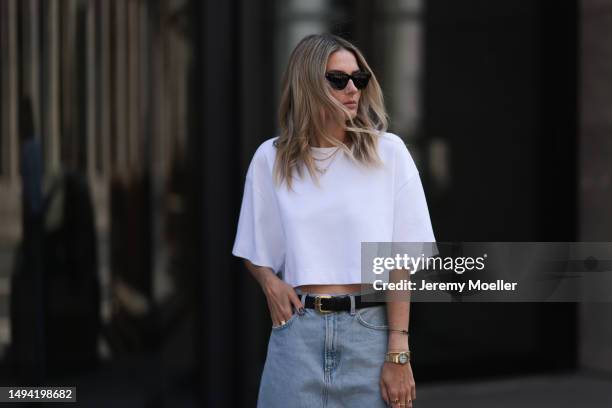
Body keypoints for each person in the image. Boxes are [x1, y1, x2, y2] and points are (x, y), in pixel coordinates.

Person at [232, 34, 435, 407]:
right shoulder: (271, 160)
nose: (352, 89)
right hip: (297, 337)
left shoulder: (388, 154)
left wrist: (398, 352)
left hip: (369, 334)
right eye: (338, 80)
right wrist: (268, 282)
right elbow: (252, 244)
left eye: (359, 79)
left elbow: (401, 263)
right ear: (307, 84)